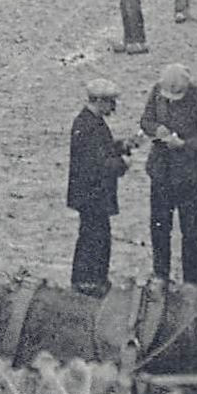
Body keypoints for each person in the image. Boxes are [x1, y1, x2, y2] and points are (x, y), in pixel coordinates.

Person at [138, 64, 197, 284]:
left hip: (190, 176)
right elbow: (145, 121)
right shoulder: (157, 91)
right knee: (159, 227)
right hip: (161, 172)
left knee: (191, 232)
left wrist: (184, 144)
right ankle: (160, 275)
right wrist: (156, 130)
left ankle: (191, 282)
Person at [66, 79, 132, 297]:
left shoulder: (88, 122)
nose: (113, 107)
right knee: (95, 238)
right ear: (101, 101)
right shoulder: (90, 125)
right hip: (93, 195)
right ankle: (90, 282)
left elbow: (99, 152)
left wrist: (121, 146)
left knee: (94, 236)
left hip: (89, 194)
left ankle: (89, 280)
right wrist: (123, 164)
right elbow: (100, 164)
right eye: (111, 102)